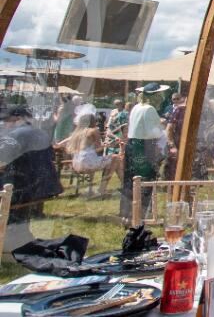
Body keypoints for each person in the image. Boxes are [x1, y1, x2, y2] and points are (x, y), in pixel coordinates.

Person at [0, 105, 63, 250]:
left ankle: (10, 238)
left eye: (7, 120)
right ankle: (18, 236)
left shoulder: (15, 135)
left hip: (20, 189)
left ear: (17, 118)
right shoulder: (40, 133)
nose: (5, 124)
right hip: (42, 186)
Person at [120, 83, 169, 222]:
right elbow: (153, 132)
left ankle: (127, 213)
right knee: (146, 180)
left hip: (132, 145)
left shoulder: (136, 107)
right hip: (144, 146)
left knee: (130, 180)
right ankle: (141, 214)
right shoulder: (150, 109)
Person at [61, 113, 123, 195]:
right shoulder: (94, 131)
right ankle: (104, 188)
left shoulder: (77, 132)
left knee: (113, 161)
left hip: (76, 164)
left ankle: (124, 184)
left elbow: (61, 143)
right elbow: (98, 149)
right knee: (115, 158)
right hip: (88, 162)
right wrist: (109, 145)